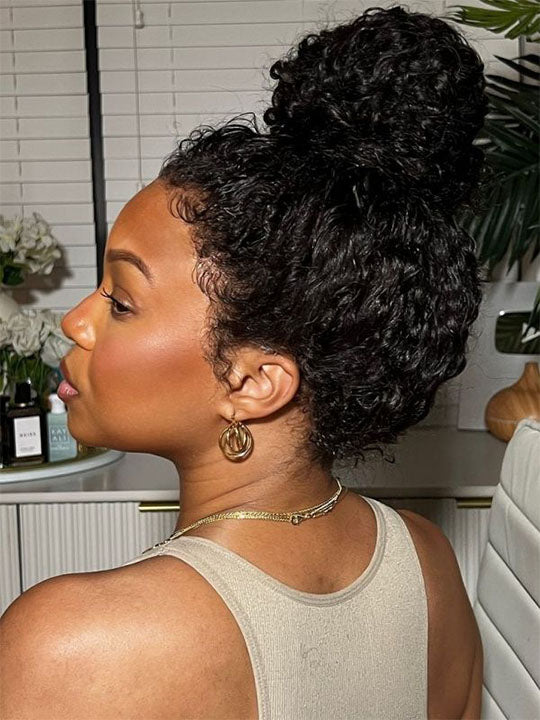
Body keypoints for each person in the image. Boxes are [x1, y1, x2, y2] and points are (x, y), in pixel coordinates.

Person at [0, 5, 487, 718]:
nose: (75, 321)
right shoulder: (429, 563)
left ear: (255, 382)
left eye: (121, 300)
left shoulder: (70, 643)